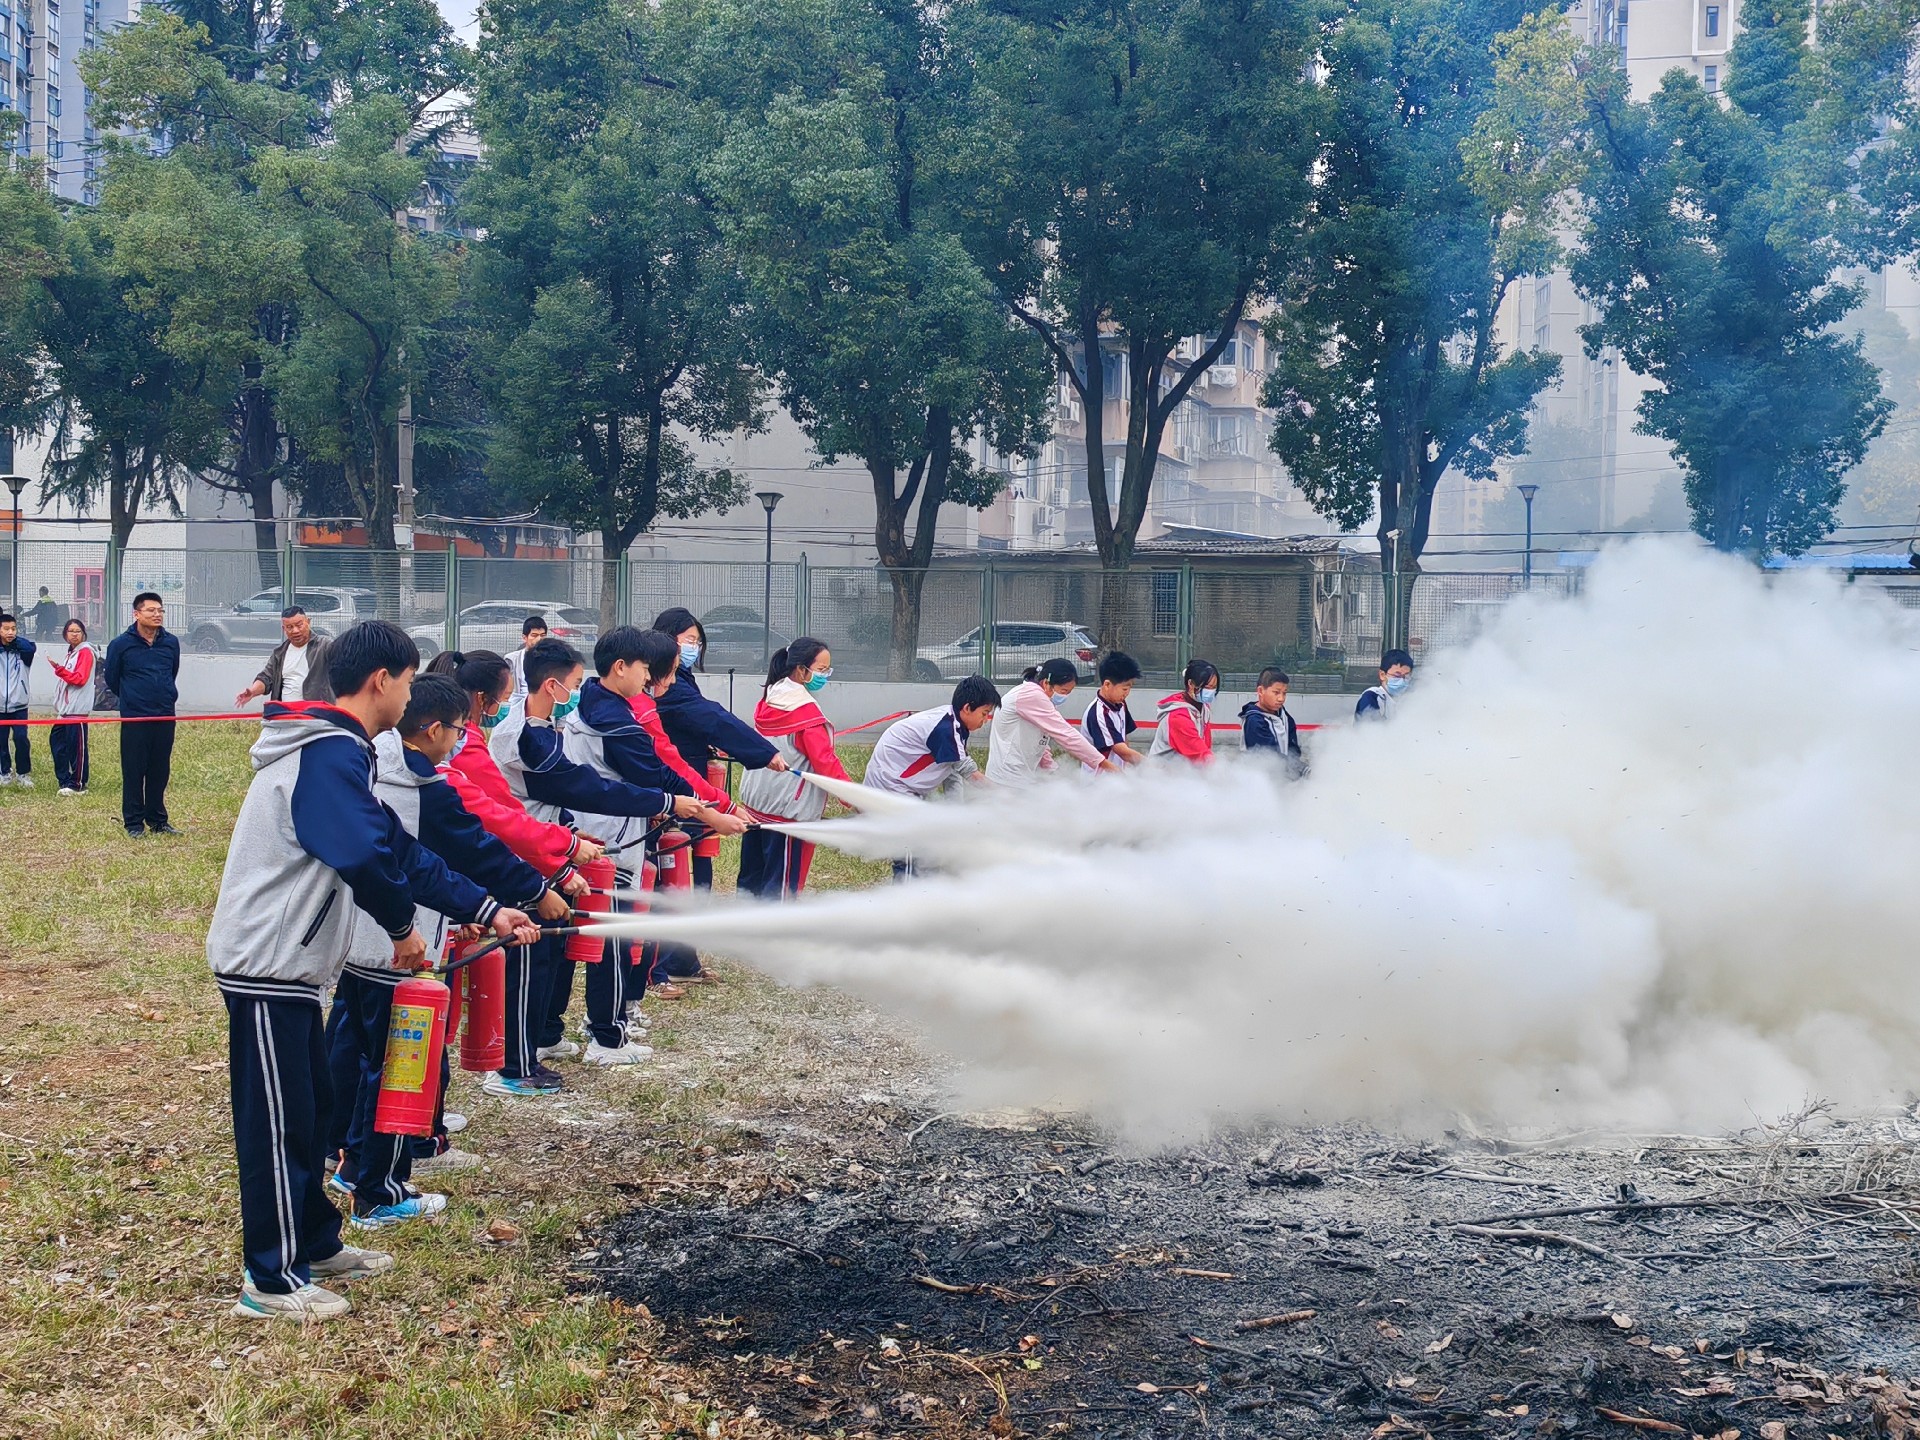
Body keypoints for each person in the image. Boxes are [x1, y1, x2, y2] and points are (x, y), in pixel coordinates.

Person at [203, 620, 438, 1321]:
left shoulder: (342, 750)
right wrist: (403, 931)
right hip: (266, 965)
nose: (409, 694)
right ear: (380, 681)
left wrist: (492, 902)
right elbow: (364, 857)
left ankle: (314, 1240)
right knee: (276, 1124)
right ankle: (269, 1282)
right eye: (408, 680)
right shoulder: (329, 751)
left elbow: (395, 847)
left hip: (296, 971)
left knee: (307, 1117)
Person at [325, 675, 541, 1228]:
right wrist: (535, 894)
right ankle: (380, 1188)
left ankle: (349, 1164)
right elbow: (471, 851)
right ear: (432, 729)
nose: (462, 739)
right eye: (458, 730)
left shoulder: (370, 765)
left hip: (356, 944)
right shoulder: (426, 790)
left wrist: (473, 912)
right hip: (398, 950)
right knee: (398, 1068)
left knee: (357, 1056)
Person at [489, 637, 703, 1075]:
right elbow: (585, 786)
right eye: (573, 683)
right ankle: (518, 1065)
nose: (579, 692)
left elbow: (561, 795)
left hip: (555, 850)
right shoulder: (527, 737)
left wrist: (568, 829)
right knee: (537, 960)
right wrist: (666, 802)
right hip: (534, 859)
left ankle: (544, 1038)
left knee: (556, 952)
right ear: (551, 686)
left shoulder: (543, 728)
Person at [423, 650, 603, 1094]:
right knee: (524, 960)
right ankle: (512, 1065)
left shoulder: (457, 746)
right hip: (499, 871)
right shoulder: (461, 753)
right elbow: (500, 817)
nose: (505, 704)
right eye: (502, 696)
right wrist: (557, 863)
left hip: (496, 869)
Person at [572, 627, 747, 998]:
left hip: (611, 830)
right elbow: (657, 773)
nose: (648, 677)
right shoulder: (619, 720)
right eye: (644, 667)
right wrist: (712, 812)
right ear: (620, 667)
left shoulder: (599, 700)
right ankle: (608, 1032)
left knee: (623, 929)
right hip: (614, 837)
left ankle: (621, 1013)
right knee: (620, 934)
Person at [649, 607, 784, 887]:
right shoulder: (665, 686)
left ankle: (698, 905)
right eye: (688, 640)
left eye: (697, 642)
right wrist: (764, 752)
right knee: (672, 850)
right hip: (674, 780)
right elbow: (712, 718)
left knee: (699, 847)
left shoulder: (678, 679)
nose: (694, 648)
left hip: (690, 773)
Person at [737, 637, 850, 899]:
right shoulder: (804, 712)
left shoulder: (771, 696)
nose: (825, 676)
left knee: (751, 877)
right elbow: (825, 762)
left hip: (758, 804)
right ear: (801, 670)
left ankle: (742, 929)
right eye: (821, 670)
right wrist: (851, 795)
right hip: (787, 812)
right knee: (781, 886)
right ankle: (774, 936)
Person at [104, 592, 182, 837]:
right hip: (135, 717)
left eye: (160, 610)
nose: (157, 614)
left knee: (160, 770)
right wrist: (133, 697)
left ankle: (158, 820)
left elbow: (172, 672)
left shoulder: (171, 642)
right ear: (136, 614)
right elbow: (112, 679)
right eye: (151, 610)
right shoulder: (120, 645)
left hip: (164, 715)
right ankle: (134, 823)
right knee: (134, 770)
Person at [986, 657, 1114, 785]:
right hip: (1008, 779)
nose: (1065, 696)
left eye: (1068, 692)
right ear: (1047, 683)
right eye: (1063, 691)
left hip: (1017, 776)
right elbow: (1065, 733)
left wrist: (1053, 771)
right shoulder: (1032, 695)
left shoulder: (1039, 697)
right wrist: (1102, 763)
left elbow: (1040, 740)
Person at [236, 605, 335, 706]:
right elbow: (266, 678)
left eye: (299, 625)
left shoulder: (325, 645)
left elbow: (343, 666)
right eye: (290, 627)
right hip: (284, 713)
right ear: (284, 629)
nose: (295, 631)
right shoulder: (279, 653)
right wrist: (252, 692)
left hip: (317, 714)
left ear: (308, 622)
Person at [49, 617, 96, 795]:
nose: (74, 634)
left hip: (77, 710)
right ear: (65, 634)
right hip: (64, 711)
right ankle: (65, 780)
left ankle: (78, 784)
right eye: (71, 631)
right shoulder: (72, 652)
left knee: (77, 748)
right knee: (57, 742)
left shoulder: (85, 652)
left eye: (78, 631)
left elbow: (80, 679)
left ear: (83, 633)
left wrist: (59, 670)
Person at [1082, 651, 1146, 770]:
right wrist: (1153, 766)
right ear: (1107, 685)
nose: (1127, 693)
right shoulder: (1099, 714)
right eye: (1124, 688)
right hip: (1098, 781)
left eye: (1129, 688)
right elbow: (1123, 752)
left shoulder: (1120, 704)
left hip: (1116, 776)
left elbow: (1124, 738)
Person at [1149, 659, 1219, 763]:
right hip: (1163, 774)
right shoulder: (1178, 716)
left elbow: (1205, 746)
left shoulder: (1204, 709)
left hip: (1180, 771)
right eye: (1207, 687)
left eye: (1214, 688)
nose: (1211, 692)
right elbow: (1199, 754)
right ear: (1191, 684)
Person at [1241, 667, 1305, 777]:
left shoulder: (1284, 716)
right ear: (1260, 691)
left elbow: (1292, 748)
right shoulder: (1254, 720)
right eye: (1276, 692)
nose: (1281, 698)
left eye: (1284, 693)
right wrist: (1299, 768)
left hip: (1281, 776)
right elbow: (1269, 755)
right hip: (1260, 779)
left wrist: (1296, 766)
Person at [0, 611, 33, 787]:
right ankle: (4, 772)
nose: (10, 632)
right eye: (6, 629)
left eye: (13, 629)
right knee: (1, 742)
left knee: (21, 739)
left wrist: (11, 642)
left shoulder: (23, 651)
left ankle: (23, 774)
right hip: (0, 707)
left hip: (19, 705)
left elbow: (30, 648)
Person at [1355, 649, 1414, 722]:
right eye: (1397, 676)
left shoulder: (1406, 701)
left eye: (1406, 676)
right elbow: (1368, 728)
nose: (1402, 680)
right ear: (1382, 675)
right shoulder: (1372, 696)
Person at [505, 615, 548, 701]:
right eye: (534, 635)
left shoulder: (551, 659)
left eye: (542, 635)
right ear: (524, 637)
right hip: (516, 704)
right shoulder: (511, 659)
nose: (539, 639)